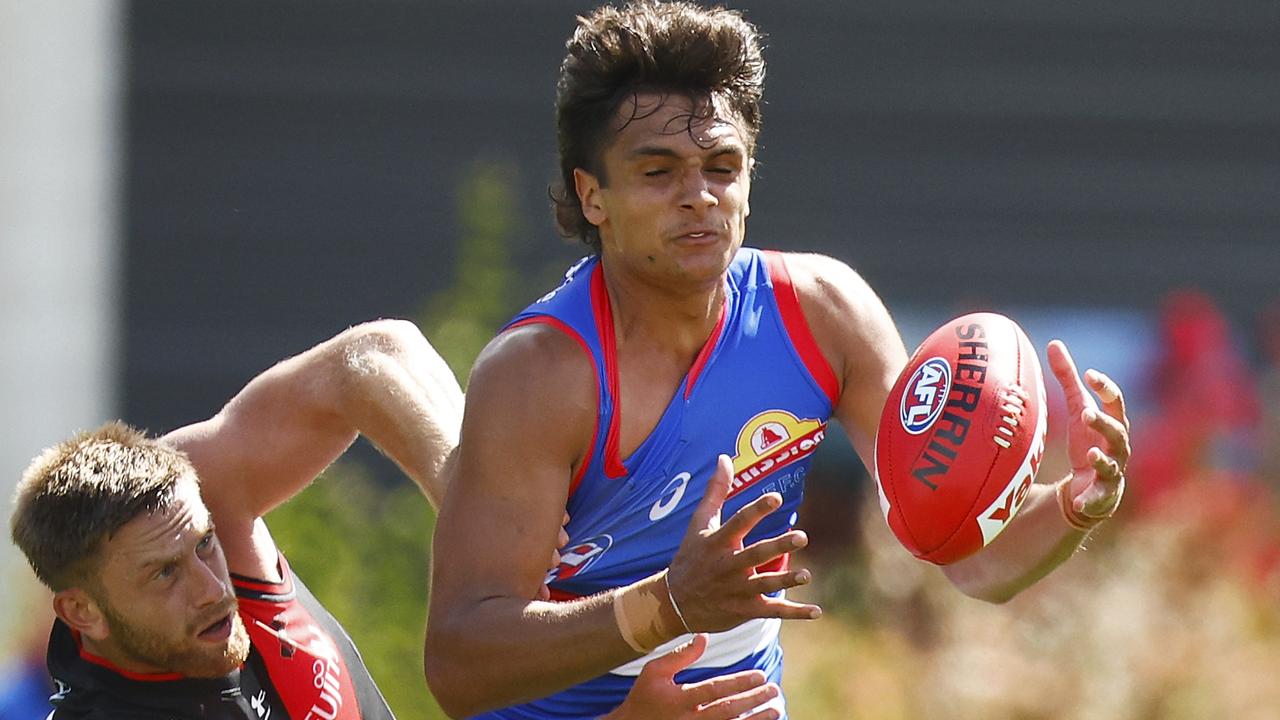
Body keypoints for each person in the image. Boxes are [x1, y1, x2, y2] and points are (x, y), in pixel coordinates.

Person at [422, 2, 1132, 719]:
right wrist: (665, 606)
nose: (698, 195)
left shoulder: (821, 314)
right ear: (592, 195)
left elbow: (967, 556)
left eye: (721, 167)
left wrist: (1074, 504)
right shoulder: (540, 373)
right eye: (657, 171)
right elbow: (457, 662)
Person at [10, 320, 777, 719]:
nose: (212, 588)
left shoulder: (190, 499)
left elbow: (373, 357)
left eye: (205, 547)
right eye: (164, 576)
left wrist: (479, 505)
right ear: (82, 613)